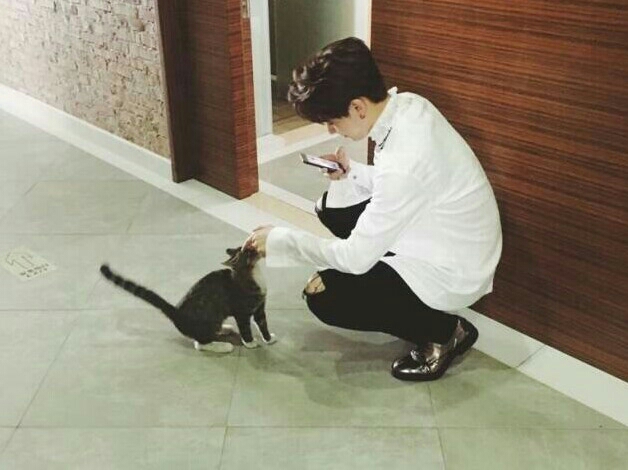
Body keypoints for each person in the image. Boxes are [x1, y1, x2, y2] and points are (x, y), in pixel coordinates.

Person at [245, 37, 502, 381]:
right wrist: (350, 173)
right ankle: (420, 311)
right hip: (445, 233)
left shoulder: (406, 157)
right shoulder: (408, 106)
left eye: (332, 121)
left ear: (358, 107)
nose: (331, 130)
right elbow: (405, 183)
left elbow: (356, 255)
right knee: (333, 210)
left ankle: (445, 334)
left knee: (326, 296)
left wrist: (281, 240)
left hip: (454, 265)